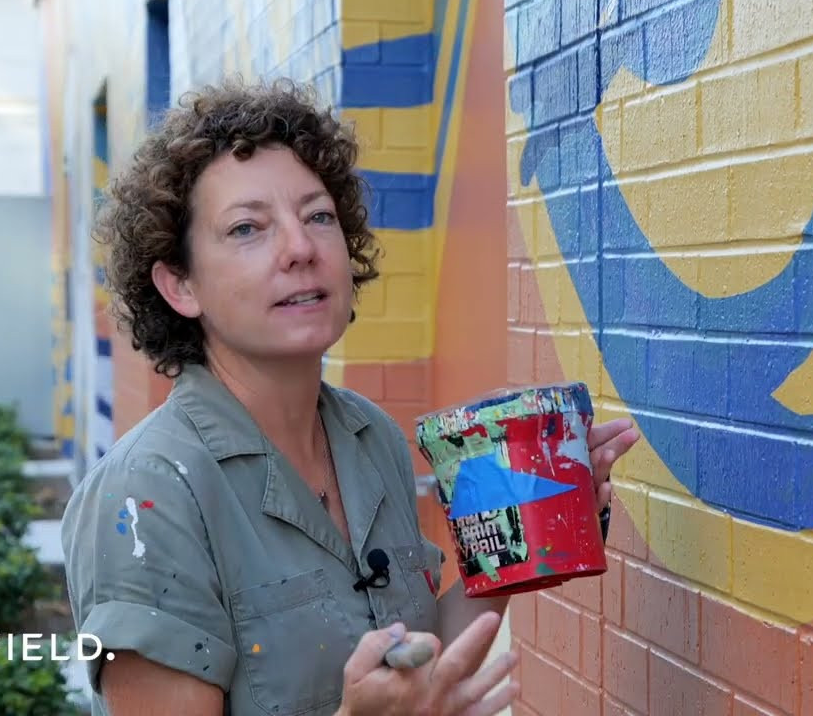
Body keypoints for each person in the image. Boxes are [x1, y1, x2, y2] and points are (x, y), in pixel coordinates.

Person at [60, 79, 640, 716]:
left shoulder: (371, 437)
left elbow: (419, 668)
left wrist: (520, 524)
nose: (301, 249)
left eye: (318, 216)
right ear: (180, 285)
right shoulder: (145, 497)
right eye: (248, 228)